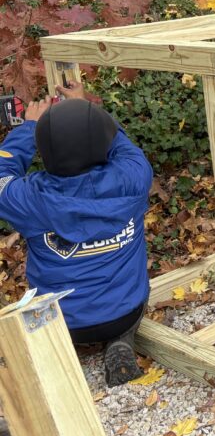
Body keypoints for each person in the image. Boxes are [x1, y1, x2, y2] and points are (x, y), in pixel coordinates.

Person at [0, 83, 153, 386]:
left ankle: (59, 352)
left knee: (53, 318)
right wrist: (86, 112)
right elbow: (122, 146)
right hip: (124, 312)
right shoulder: (135, 177)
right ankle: (120, 341)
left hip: (61, 321)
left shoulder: (29, 198)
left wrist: (29, 128)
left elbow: (3, 169)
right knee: (125, 306)